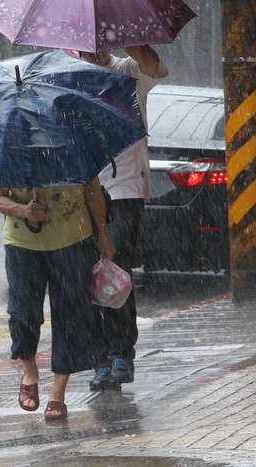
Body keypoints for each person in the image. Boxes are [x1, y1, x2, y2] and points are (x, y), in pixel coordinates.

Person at [79, 45, 169, 391]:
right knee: (85, 272)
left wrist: (129, 35)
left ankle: (121, 351)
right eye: (88, 44)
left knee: (114, 266)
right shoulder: (72, 75)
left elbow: (155, 66)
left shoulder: (129, 68)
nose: (95, 50)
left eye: (101, 40)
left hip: (126, 183)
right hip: (86, 184)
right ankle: (99, 357)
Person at [0, 181, 114, 420]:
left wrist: (103, 236)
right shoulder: (8, 150)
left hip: (73, 241)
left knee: (71, 318)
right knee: (21, 313)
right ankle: (29, 370)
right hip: (21, 244)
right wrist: (23, 210)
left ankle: (58, 392)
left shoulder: (74, 145)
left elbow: (93, 191)